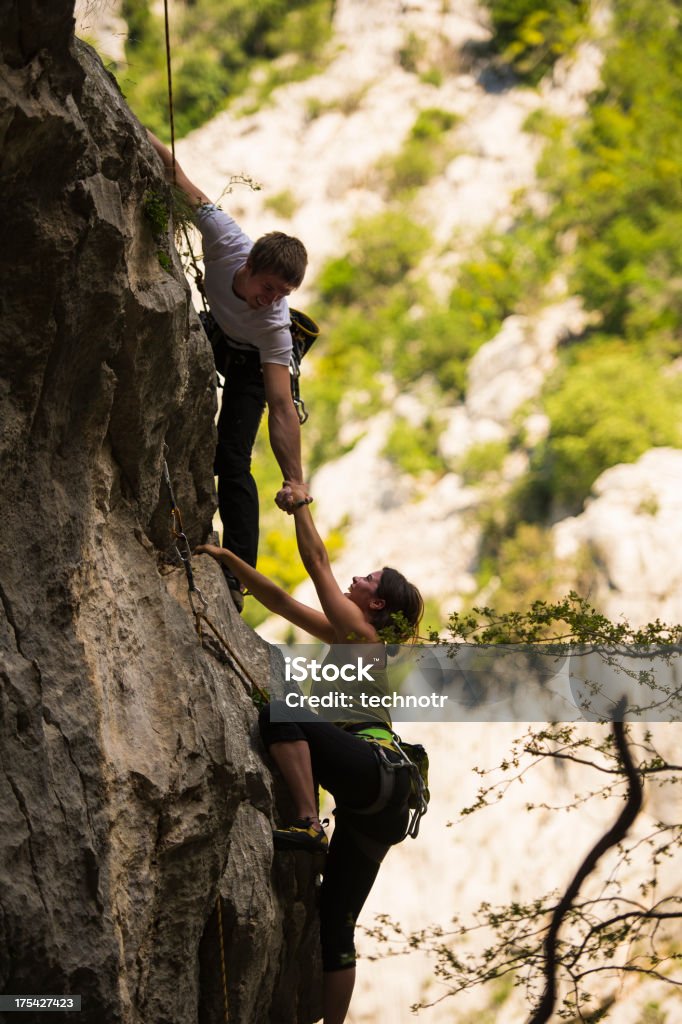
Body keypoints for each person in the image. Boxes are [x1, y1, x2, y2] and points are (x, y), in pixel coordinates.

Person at [197, 481, 423, 1024]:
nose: (354, 577)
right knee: (335, 923)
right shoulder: (350, 639)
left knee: (281, 709)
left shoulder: (362, 636)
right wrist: (226, 560)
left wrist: (300, 504)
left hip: (372, 772)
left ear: (376, 603)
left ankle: (306, 821)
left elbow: (317, 561)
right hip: (386, 804)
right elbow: (279, 601)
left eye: (367, 578)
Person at [147, 131, 311, 608]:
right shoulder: (226, 240)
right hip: (214, 331)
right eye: (269, 286)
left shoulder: (274, 326)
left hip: (250, 367)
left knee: (232, 459)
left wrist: (295, 479)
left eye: (284, 292)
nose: (272, 298)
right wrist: (135, 123)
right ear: (252, 263)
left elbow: (281, 405)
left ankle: (239, 572)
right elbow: (179, 177)